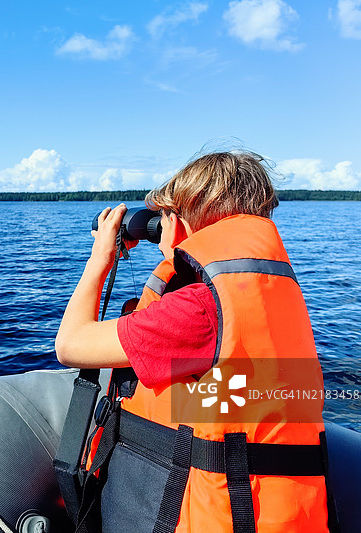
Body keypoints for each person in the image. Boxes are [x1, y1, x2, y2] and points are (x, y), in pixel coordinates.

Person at [55, 150, 334, 533]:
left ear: (186, 218)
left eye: (165, 217)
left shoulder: (197, 310)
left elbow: (70, 345)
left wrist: (100, 258)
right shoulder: (259, 287)